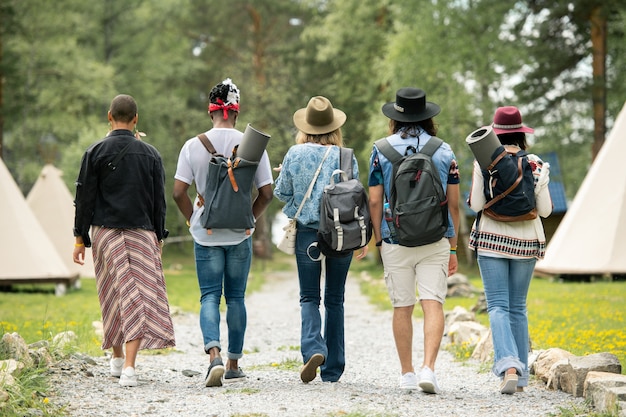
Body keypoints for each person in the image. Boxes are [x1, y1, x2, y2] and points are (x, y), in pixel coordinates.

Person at [172, 78, 273, 387]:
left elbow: (178, 192)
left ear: (210, 111)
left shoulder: (192, 146)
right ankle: (232, 363)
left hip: (207, 233)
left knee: (209, 297)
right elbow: (267, 193)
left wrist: (194, 221)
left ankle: (213, 355)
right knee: (237, 298)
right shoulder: (252, 145)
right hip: (240, 234)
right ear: (236, 112)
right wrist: (249, 220)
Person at [72, 94, 175, 387]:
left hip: (104, 234)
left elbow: (84, 199)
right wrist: (159, 235)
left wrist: (80, 238)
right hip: (141, 233)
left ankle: (119, 360)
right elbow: (159, 201)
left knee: (112, 294)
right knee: (137, 297)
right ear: (136, 119)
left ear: (109, 116)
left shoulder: (94, 152)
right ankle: (128, 367)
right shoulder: (151, 154)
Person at [367, 87, 460, 393]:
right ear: (428, 117)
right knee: (433, 303)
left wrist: (379, 240)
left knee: (402, 306)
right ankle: (428, 369)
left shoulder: (380, 150)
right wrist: (454, 244)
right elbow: (455, 203)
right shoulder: (444, 150)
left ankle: (406, 373)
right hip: (435, 239)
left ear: (395, 117)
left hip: (396, 237)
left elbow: (374, 201)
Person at [274, 96, 367, 384]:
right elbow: (355, 198)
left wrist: (299, 204)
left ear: (306, 126)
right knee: (335, 299)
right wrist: (362, 240)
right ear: (334, 127)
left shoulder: (294, 153)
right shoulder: (346, 156)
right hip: (341, 234)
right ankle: (333, 368)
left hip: (308, 234)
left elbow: (281, 193)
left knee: (309, 297)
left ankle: (314, 348)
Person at [468, 106, 552, 394]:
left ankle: (508, 366)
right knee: (518, 307)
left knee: (498, 306)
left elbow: (477, 206)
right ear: (521, 132)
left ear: (495, 133)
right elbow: (546, 210)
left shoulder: (483, 161)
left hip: (491, 240)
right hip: (527, 242)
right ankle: (522, 378)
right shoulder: (536, 163)